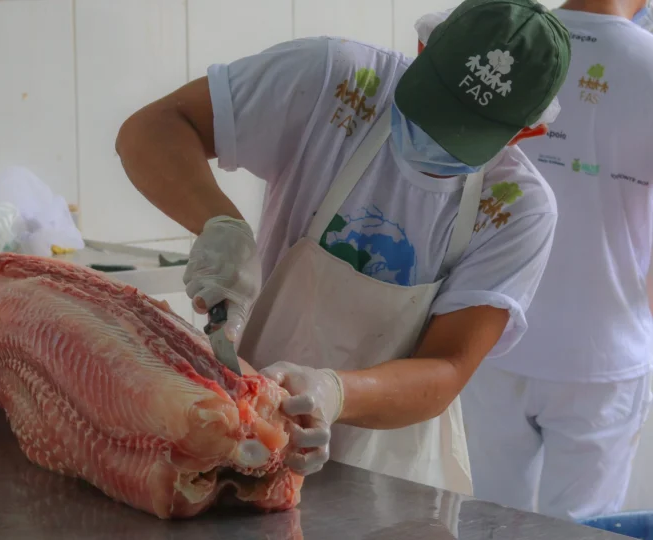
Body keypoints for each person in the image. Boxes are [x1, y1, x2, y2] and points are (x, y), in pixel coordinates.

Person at [116, 0, 570, 495]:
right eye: (433, 108)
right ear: (422, 49)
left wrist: (333, 392)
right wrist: (220, 224)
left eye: (462, 135)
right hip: (246, 429)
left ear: (528, 132)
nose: (434, 139)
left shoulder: (517, 209)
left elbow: (447, 367)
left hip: (391, 476)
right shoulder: (336, 81)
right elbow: (153, 129)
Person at [459, 0, 653, 521]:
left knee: (491, 522)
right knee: (585, 529)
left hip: (488, 332)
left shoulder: (510, 42)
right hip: (602, 355)